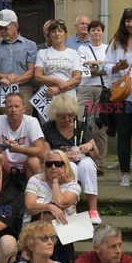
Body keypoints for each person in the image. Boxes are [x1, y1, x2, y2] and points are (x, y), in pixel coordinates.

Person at [103, 7, 132, 187]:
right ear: (124, 23)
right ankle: (124, 173)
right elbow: (106, 66)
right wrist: (117, 67)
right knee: (123, 135)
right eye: (128, 21)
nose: (131, 24)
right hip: (121, 96)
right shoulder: (116, 42)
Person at [41, 95, 101, 224]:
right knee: (71, 168)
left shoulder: (80, 126)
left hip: (82, 159)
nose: (67, 119)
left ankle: (93, 210)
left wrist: (89, 146)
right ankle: (70, 209)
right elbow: (45, 154)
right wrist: (60, 155)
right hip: (60, 163)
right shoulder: (47, 128)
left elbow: (96, 153)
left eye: (70, 115)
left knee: (88, 166)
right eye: (63, 116)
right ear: (55, 115)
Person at [0, 9, 37, 116]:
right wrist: (5, 76)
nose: (2, 31)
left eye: (5, 27)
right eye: (0, 28)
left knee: (24, 122)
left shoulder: (30, 45)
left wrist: (13, 80)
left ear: (16, 26)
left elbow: (31, 71)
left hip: (23, 88)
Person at [77, 20, 110, 175]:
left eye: (99, 30)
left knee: (100, 128)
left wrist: (96, 64)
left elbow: (111, 68)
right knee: (81, 124)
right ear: (88, 33)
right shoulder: (81, 48)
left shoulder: (108, 49)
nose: (96, 33)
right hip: (85, 88)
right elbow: (84, 69)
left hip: (103, 90)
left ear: (102, 32)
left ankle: (99, 164)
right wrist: (101, 66)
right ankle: (82, 158)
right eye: (93, 30)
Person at [0, 92, 45, 179]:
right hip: (4, 165)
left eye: (17, 106)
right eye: (10, 106)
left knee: (34, 161)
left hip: (25, 167)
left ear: (24, 109)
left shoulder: (32, 121)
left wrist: (19, 149)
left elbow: (40, 151)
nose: (13, 110)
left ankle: (37, 191)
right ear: (5, 110)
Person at [23, 149, 80, 228]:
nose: (53, 167)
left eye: (58, 164)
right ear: (45, 167)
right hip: (35, 228)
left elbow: (59, 203)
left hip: (64, 230)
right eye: (49, 164)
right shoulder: (35, 180)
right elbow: (29, 206)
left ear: (66, 165)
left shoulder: (73, 185)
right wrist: (49, 207)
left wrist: (55, 182)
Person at [34, 20, 82, 99]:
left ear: (65, 34)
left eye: (60, 31)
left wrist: (58, 88)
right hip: (47, 96)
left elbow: (77, 78)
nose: (57, 34)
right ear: (49, 35)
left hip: (68, 96)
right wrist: (57, 81)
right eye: (53, 31)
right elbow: (38, 76)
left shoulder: (73, 53)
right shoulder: (42, 53)